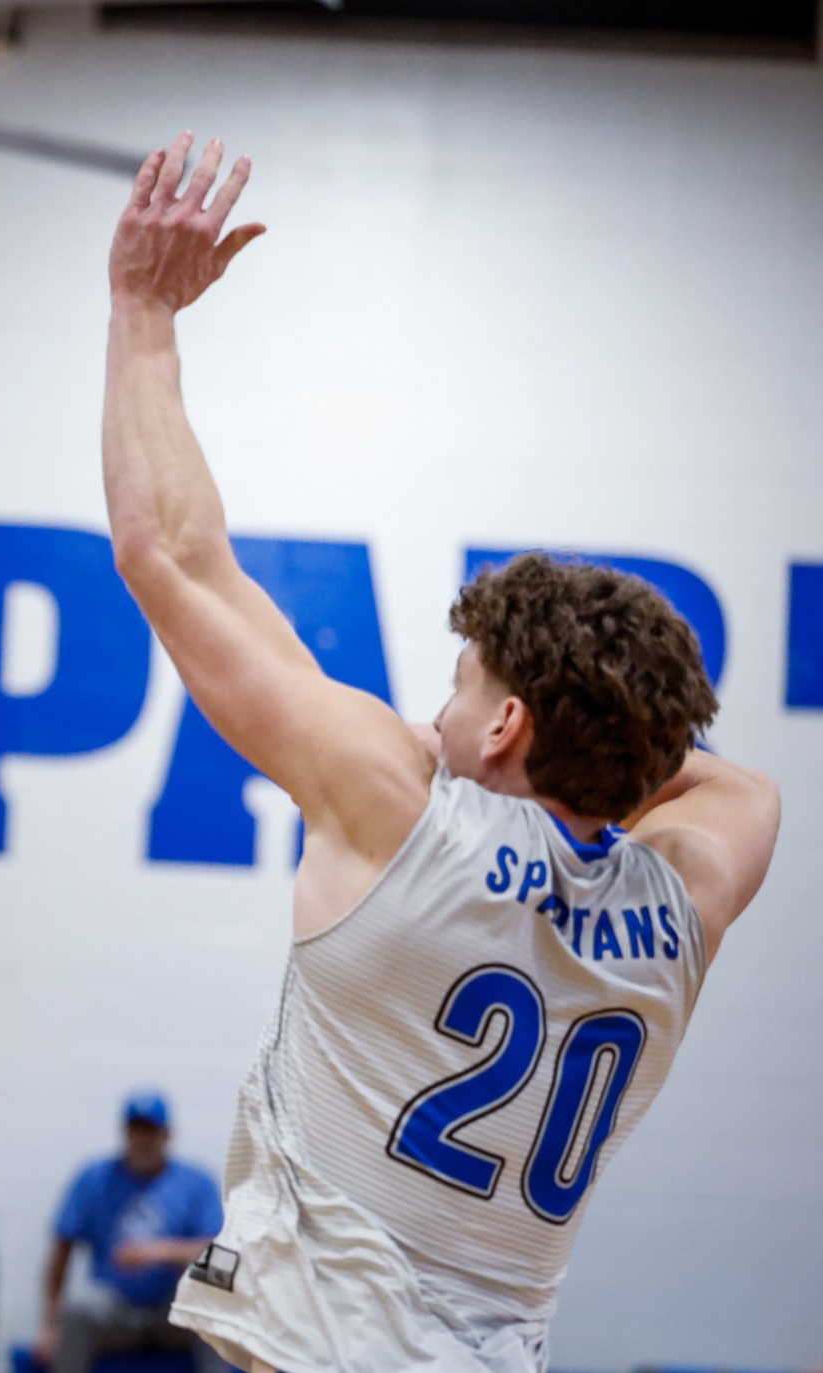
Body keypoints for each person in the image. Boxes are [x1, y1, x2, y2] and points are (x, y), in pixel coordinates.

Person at [99, 131, 781, 1373]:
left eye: (459, 688)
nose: (432, 710)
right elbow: (737, 783)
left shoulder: (398, 808)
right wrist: (602, 763)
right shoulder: (687, 896)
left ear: (506, 724)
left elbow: (167, 555)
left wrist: (142, 308)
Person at [36, 1093, 225, 1373]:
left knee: (215, 1307)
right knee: (77, 1311)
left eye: (151, 1132)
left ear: (167, 1134)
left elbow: (223, 1258)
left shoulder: (197, 1183)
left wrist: (160, 1252)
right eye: (137, 1131)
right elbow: (62, 1247)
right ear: (125, 1132)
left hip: (173, 1311)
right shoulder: (94, 1178)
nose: (143, 1140)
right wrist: (49, 1324)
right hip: (116, 1308)